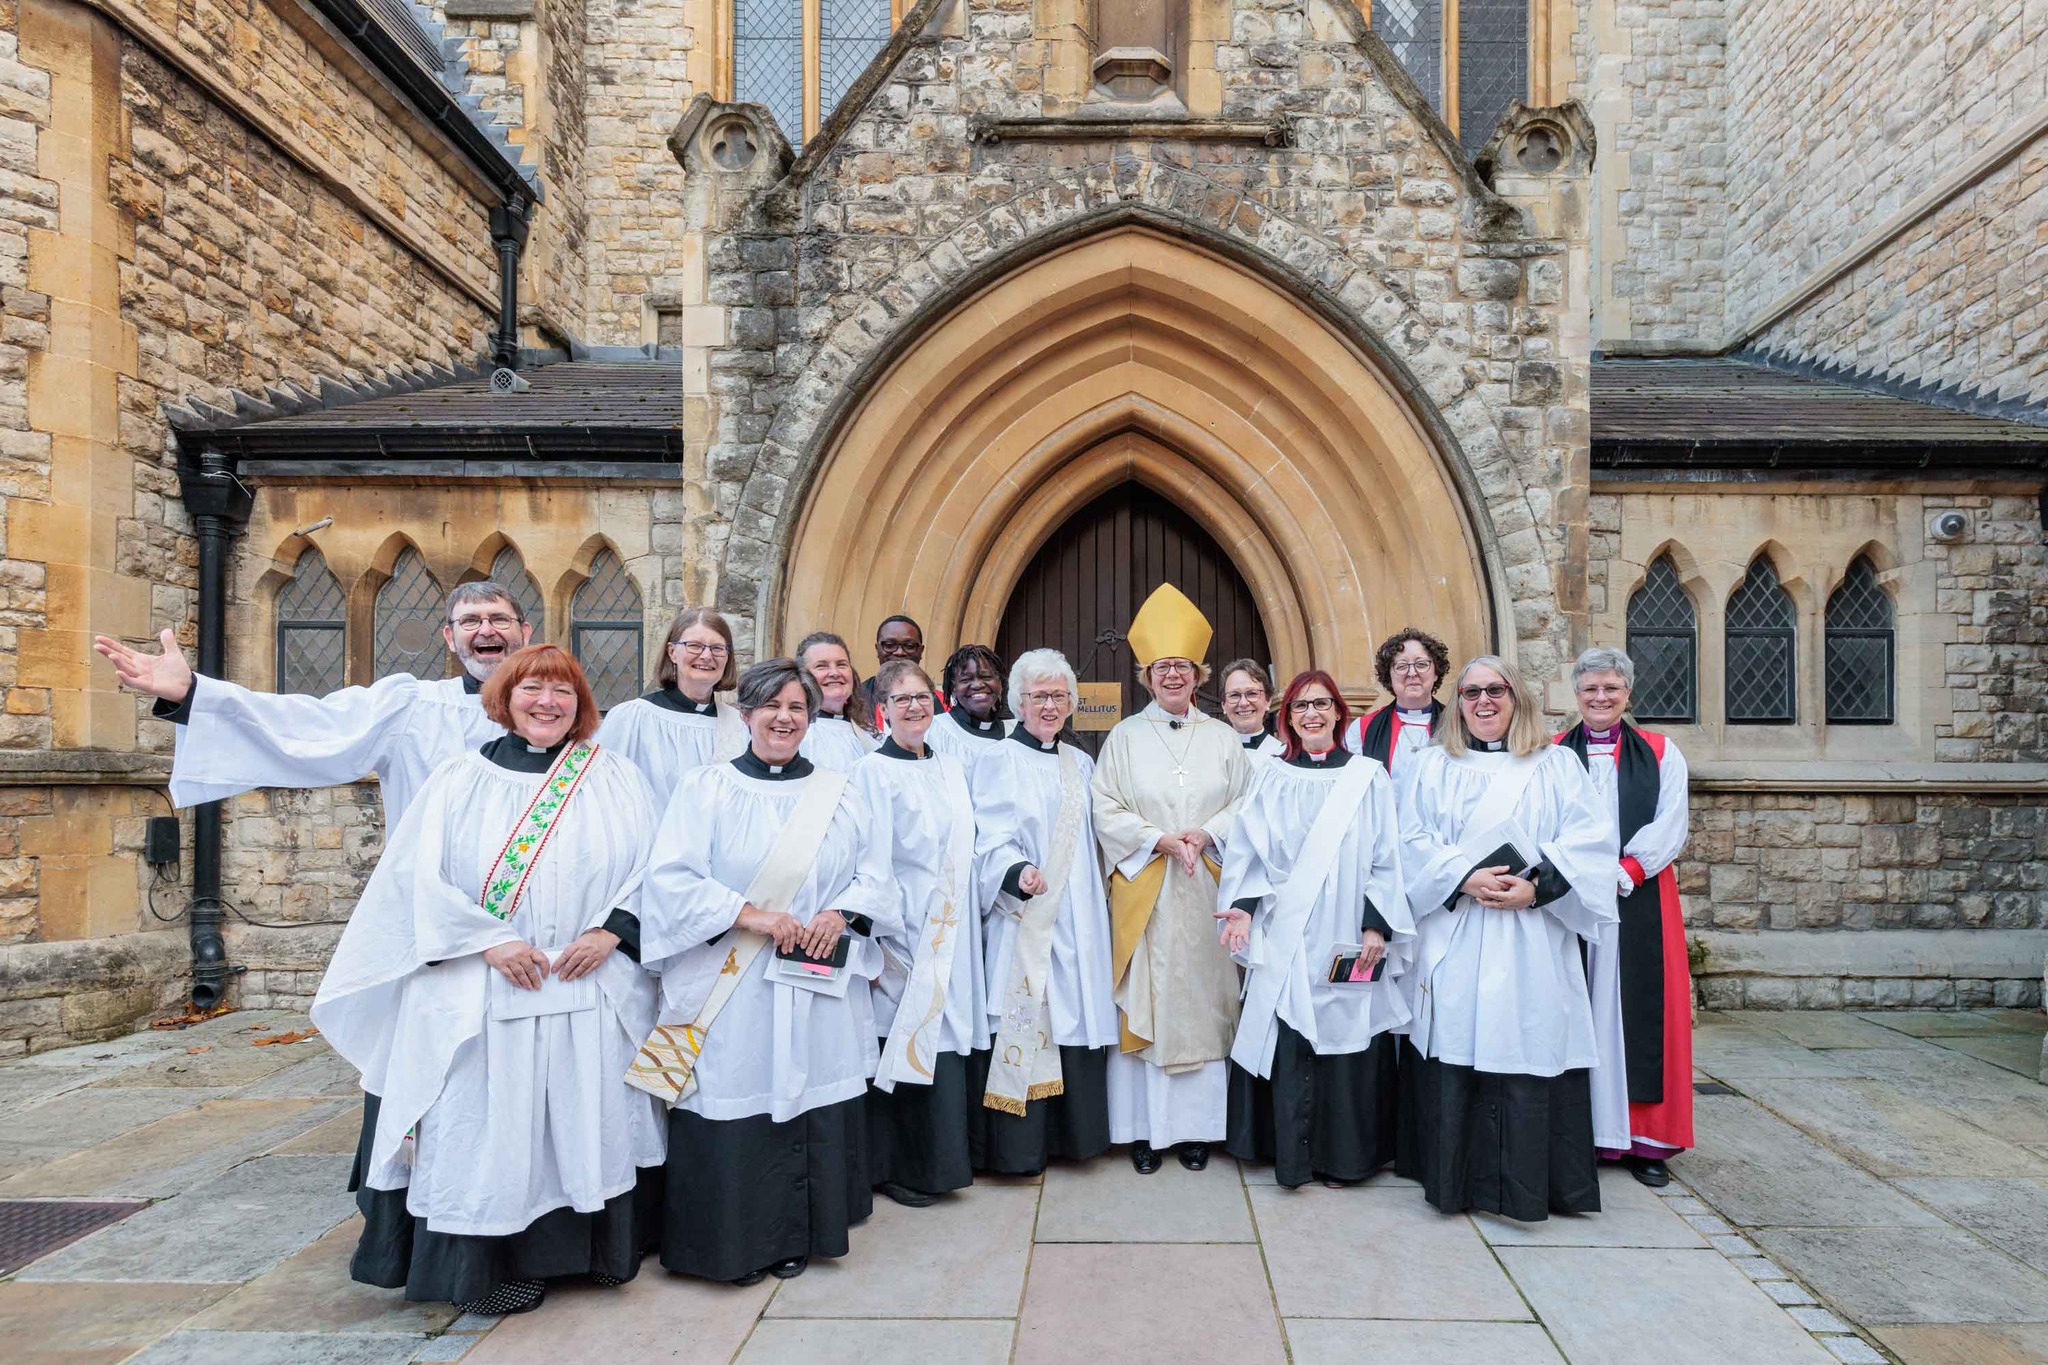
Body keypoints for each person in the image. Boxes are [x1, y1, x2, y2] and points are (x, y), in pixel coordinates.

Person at [312, 645, 664, 1315]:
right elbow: (415, 879)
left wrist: (612, 931)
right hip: (486, 985)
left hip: (587, 984)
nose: (547, 702)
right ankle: (493, 1268)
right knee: (493, 1129)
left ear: (581, 704)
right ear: (504, 697)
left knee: (584, 1123)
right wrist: (488, 938)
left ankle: (595, 1252)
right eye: (532, 688)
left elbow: (655, 867)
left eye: (562, 691)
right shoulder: (459, 779)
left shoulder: (617, 776)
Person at [627, 657, 892, 1286]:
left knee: (809, 1089)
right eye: (771, 705)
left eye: (797, 707)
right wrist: (749, 915)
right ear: (745, 714)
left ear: (811, 717)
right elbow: (671, 880)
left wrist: (841, 912)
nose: (784, 718)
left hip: (816, 983)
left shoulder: (841, 793)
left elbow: (877, 875)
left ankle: (800, 1234)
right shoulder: (707, 789)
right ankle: (731, 1244)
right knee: (734, 1090)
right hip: (730, 983)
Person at [1394, 655, 1620, 1222]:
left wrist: (1537, 889)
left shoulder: (1557, 765)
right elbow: (1407, 840)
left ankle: (1530, 1186)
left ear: (1517, 697)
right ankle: (1457, 1182)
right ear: (1458, 703)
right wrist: (1461, 877)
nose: (1483, 702)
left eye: (1495, 690)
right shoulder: (1430, 766)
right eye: (1471, 693)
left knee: (1528, 1035)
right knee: (1459, 1038)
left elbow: (1592, 841)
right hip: (1458, 933)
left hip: (1531, 938)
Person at [94, 580, 532, 823]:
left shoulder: (558, 713)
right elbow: (310, 724)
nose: (486, 630)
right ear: (450, 638)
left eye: (499, 619)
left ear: (525, 633)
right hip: (434, 897)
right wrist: (192, 694)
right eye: (470, 621)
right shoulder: (410, 707)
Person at [1217, 670, 1412, 1189]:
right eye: (1301, 706)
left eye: (1322, 703)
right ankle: (1286, 1152)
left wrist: (1376, 927)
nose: (1312, 714)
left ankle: (1344, 1158)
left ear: (1338, 712)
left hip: (1347, 926)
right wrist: (1242, 908)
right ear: (1287, 717)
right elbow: (1247, 851)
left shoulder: (1368, 777)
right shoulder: (1271, 775)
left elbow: (1387, 858)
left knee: (1347, 1032)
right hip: (1287, 929)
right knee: (1290, 1031)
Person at [1091, 584, 1255, 1174]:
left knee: (1206, 1005)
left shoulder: (1223, 738)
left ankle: (1196, 1131)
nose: (1173, 675)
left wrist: (1207, 833)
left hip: (1207, 889)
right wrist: (1157, 839)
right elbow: (1104, 806)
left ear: (1198, 674)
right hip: (1148, 892)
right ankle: (1143, 1130)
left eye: (1182, 666)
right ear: (1147, 675)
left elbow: (1248, 803)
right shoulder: (1124, 737)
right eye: (1162, 667)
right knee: (1148, 1002)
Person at [965, 648, 1118, 1175]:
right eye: (1039, 696)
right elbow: (989, 836)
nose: (1049, 706)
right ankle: (1021, 1149)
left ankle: (1076, 1140)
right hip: (1026, 913)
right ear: (1019, 702)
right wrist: (1017, 871)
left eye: (1059, 696)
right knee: (1029, 1017)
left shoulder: (1082, 763)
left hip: (1080, 915)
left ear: (1072, 703)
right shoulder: (998, 760)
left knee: (1075, 1015)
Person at [851, 659, 986, 1208]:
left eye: (922, 697)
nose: (914, 707)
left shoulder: (950, 767)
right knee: (907, 1035)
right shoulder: (871, 772)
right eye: (902, 698)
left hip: (955, 929)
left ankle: (947, 1161)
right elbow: (870, 859)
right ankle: (902, 1167)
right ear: (883, 708)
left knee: (948, 1042)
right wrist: (882, 940)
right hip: (905, 931)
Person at [1557, 646, 1693, 1188]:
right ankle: (1577, 1134)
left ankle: (1646, 1141)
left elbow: (1671, 821)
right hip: (1569, 902)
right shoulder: (1552, 753)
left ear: (1628, 694)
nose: (1600, 697)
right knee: (1576, 1007)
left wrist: (1625, 871)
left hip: (1637, 897)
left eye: (1611, 688)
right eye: (1590, 688)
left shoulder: (1660, 752)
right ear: (1576, 694)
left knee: (1638, 1013)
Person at [593, 607, 747, 796]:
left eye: (717, 648)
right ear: (672, 652)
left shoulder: (740, 725)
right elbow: (603, 791)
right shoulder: (633, 719)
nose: (707, 656)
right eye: (694, 646)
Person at [1342, 628, 1450, 775]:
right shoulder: (1363, 728)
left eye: (1421, 664)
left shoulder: (1456, 724)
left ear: (1436, 672)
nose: (1412, 673)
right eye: (1401, 666)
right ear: (1389, 676)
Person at [795, 630, 880, 770]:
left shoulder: (871, 733)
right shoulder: (796, 735)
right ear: (803, 676)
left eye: (841, 664)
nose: (835, 673)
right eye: (821, 666)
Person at [923, 643, 1013, 766]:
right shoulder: (935, 730)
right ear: (953, 688)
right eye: (966, 680)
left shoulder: (1014, 732)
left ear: (1000, 683)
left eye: (986, 677)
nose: (977, 685)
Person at [854, 615, 938, 730]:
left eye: (909, 646)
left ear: (920, 651)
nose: (899, 652)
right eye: (889, 645)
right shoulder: (856, 699)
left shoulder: (943, 702)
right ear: (877, 649)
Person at [1221, 658, 1284, 757]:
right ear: (1223, 705)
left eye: (1252, 693)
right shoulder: (1210, 754)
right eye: (1234, 695)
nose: (1243, 703)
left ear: (1268, 701)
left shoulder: (1284, 756)